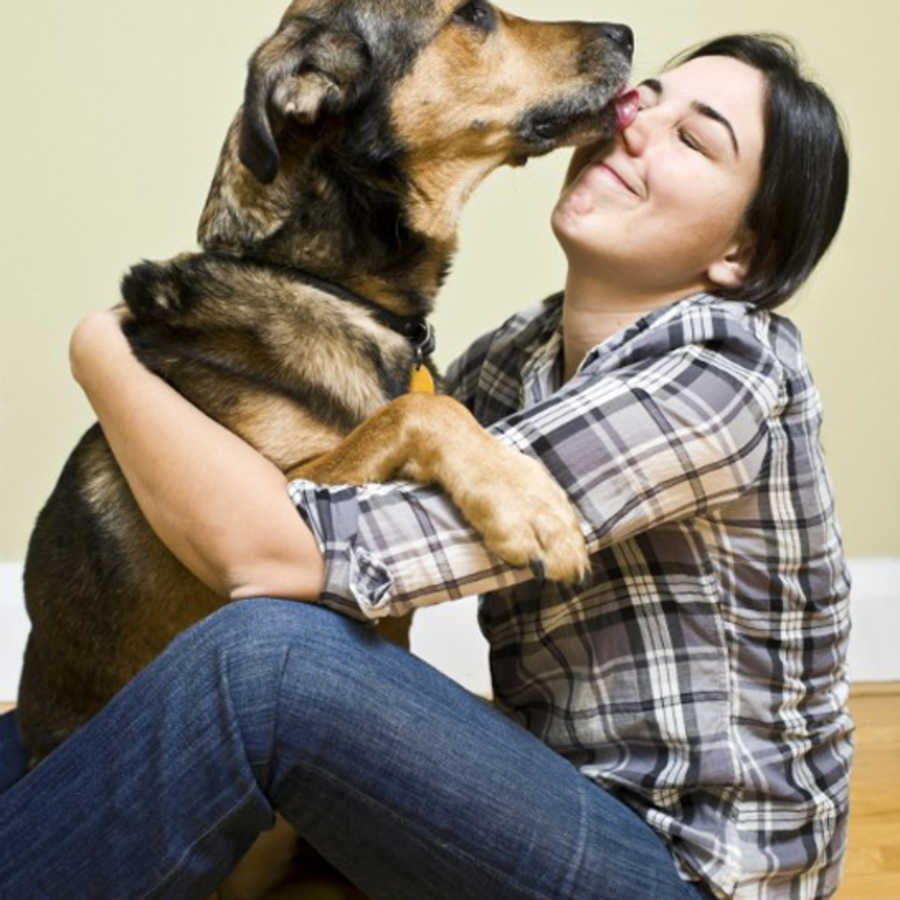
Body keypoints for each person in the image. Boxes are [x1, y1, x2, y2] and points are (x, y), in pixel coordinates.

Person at [0, 33, 852, 900]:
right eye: (651, 99)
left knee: (272, 662)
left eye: (694, 139)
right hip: (555, 794)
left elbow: (282, 558)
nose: (632, 121)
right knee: (45, 741)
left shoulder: (724, 374)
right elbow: (324, 486)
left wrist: (101, 352)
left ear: (740, 255)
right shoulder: (515, 362)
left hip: (682, 872)